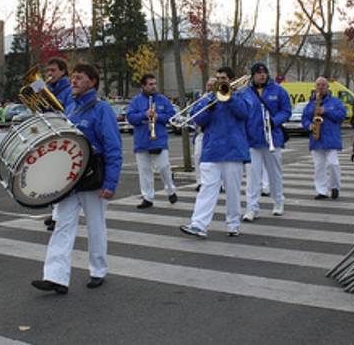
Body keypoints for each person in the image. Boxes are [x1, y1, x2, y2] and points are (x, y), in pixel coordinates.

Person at [32, 64, 122, 294]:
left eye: (79, 78)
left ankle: (98, 270)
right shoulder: (69, 106)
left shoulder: (102, 109)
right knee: (62, 225)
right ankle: (55, 277)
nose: (73, 81)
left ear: (92, 82)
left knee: (95, 226)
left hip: (93, 178)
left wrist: (110, 183)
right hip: (69, 179)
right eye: (72, 77)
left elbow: (113, 148)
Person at [180, 67, 251, 238]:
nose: (220, 80)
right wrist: (211, 106)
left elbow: (244, 113)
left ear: (232, 79)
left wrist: (229, 97)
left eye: (224, 78)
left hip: (233, 150)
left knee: (232, 191)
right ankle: (198, 225)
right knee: (207, 188)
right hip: (212, 149)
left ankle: (233, 224)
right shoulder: (208, 99)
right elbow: (198, 120)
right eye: (218, 77)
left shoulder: (242, 95)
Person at [241, 62, 291, 221]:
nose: (262, 75)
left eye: (264, 72)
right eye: (258, 73)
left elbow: (286, 111)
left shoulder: (278, 90)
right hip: (252, 139)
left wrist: (274, 121)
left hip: (272, 138)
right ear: (253, 75)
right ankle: (251, 208)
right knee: (252, 176)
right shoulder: (245, 92)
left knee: (274, 173)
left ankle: (278, 202)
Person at [127, 73, 178, 208]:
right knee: (144, 171)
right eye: (150, 84)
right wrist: (144, 114)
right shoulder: (136, 101)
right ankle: (147, 197)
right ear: (143, 86)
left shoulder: (162, 99)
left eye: (154, 84)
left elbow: (171, 115)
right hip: (142, 140)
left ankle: (171, 189)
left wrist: (158, 116)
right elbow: (130, 117)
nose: (153, 86)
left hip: (158, 139)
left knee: (163, 167)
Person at [302, 77, 347, 200]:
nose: (320, 87)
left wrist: (325, 111)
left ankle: (335, 187)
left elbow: (342, 115)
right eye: (318, 85)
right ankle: (321, 191)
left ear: (327, 87)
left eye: (323, 85)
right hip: (316, 139)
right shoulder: (311, 103)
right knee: (319, 167)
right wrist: (309, 125)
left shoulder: (335, 102)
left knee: (333, 164)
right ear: (315, 87)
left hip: (331, 138)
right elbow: (304, 118)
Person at [43, 57, 74, 231]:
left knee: (61, 176)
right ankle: (56, 211)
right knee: (52, 176)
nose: (50, 74)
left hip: (62, 134)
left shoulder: (68, 90)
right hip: (49, 133)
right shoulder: (48, 89)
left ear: (63, 71)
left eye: (53, 70)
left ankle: (59, 216)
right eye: (48, 71)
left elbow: (67, 112)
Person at [194, 76, 216, 192]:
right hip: (201, 132)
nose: (210, 87)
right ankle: (199, 182)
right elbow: (193, 113)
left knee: (215, 159)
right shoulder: (201, 98)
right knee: (198, 156)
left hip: (213, 132)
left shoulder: (219, 98)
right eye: (209, 85)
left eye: (213, 85)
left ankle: (220, 184)